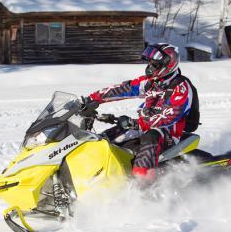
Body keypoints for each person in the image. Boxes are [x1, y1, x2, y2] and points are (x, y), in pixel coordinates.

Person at [83, 44, 199, 182]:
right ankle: (89, 177)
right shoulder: (151, 82)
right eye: (150, 63)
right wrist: (91, 99)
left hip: (167, 133)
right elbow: (124, 88)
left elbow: (171, 115)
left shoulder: (181, 86)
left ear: (167, 64)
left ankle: (143, 186)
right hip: (142, 126)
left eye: (154, 64)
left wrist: (139, 122)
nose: (150, 67)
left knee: (151, 137)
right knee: (103, 139)